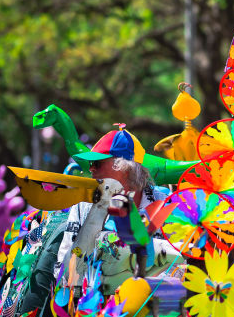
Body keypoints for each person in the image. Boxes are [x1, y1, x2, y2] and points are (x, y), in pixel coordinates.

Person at [57, 126, 184, 296]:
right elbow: (65, 258)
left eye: (97, 163)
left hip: (153, 306)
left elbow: (181, 261)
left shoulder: (165, 202)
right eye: (90, 164)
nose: (91, 169)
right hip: (92, 306)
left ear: (124, 167)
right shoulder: (83, 205)